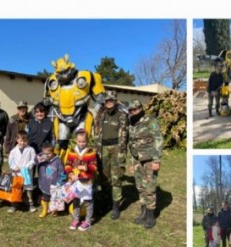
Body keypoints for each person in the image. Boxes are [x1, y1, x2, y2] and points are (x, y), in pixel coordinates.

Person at [127, 99, 163, 229]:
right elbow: (131, 144)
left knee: (149, 188)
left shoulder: (150, 121)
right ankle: (143, 212)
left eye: (135, 110)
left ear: (140, 109)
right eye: (131, 110)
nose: (133, 112)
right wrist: (132, 162)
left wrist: (156, 160)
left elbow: (158, 139)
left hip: (149, 159)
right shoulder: (131, 123)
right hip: (137, 160)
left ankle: (150, 215)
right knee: (140, 187)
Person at [93, 90, 129, 219]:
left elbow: (126, 135)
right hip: (102, 149)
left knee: (116, 177)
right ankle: (105, 202)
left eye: (111, 100)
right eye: (107, 100)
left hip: (116, 149)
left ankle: (116, 206)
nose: (109, 102)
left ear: (115, 101)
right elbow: (95, 131)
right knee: (103, 176)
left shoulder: (122, 115)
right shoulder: (100, 115)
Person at [63, 130, 98, 231]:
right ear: (76, 141)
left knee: (88, 201)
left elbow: (95, 167)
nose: (81, 143)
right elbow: (67, 164)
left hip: (86, 182)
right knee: (76, 200)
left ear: (87, 141)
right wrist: (70, 174)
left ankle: (88, 220)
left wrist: (87, 168)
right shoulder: (72, 151)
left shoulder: (91, 152)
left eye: (84, 142)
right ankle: (76, 219)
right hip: (75, 181)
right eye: (79, 141)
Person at [7, 131, 37, 212]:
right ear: (17, 140)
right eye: (21, 141)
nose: (23, 142)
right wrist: (14, 167)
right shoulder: (13, 151)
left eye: (25, 141)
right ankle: (14, 205)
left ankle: (31, 204)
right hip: (17, 173)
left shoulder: (30, 149)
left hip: (26, 172)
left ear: (27, 140)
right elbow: (10, 161)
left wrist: (27, 166)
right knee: (16, 189)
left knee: (28, 189)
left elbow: (34, 160)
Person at [35, 142, 65, 218]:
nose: (47, 156)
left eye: (49, 154)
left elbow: (62, 172)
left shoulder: (58, 161)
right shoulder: (42, 158)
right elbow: (34, 161)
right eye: (45, 154)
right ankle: (45, 209)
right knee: (45, 197)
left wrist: (61, 181)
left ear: (53, 152)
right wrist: (40, 156)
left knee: (55, 198)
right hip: (44, 183)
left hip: (55, 185)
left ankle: (55, 210)